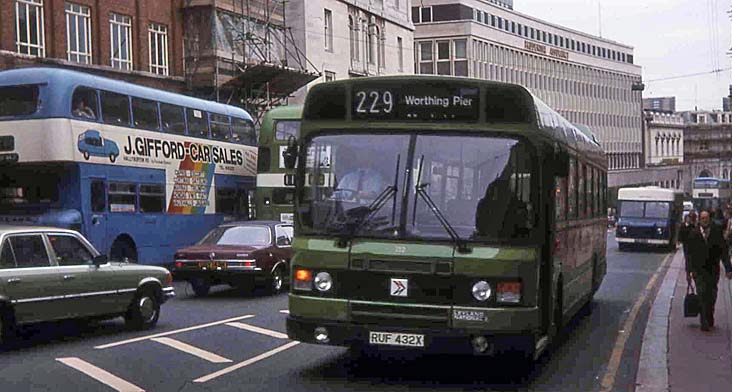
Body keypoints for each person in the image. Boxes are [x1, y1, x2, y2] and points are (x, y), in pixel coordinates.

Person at [684, 210, 732, 331]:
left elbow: (724, 251)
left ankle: (709, 316)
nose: (705, 220)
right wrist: (688, 272)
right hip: (698, 270)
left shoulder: (716, 232)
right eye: (702, 218)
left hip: (713, 269)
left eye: (706, 218)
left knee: (712, 295)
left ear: (709, 219)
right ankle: (704, 321)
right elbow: (689, 254)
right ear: (699, 219)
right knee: (701, 293)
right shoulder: (693, 234)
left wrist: (728, 268)